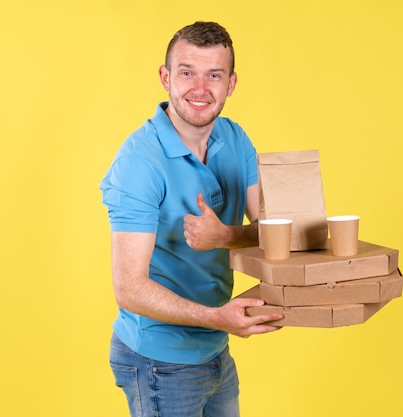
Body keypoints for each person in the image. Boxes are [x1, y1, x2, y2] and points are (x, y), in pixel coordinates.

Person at [99, 21, 283, 417]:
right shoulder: (139, 162)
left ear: (231, 83)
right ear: (165, 77)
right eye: (187, 73)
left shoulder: (235, 138)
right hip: (159, 361)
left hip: (217, 347)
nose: (200, 89)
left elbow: (276, 232)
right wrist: (216, 318)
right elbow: (128, 288)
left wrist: (227, 236)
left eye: (213, 75)